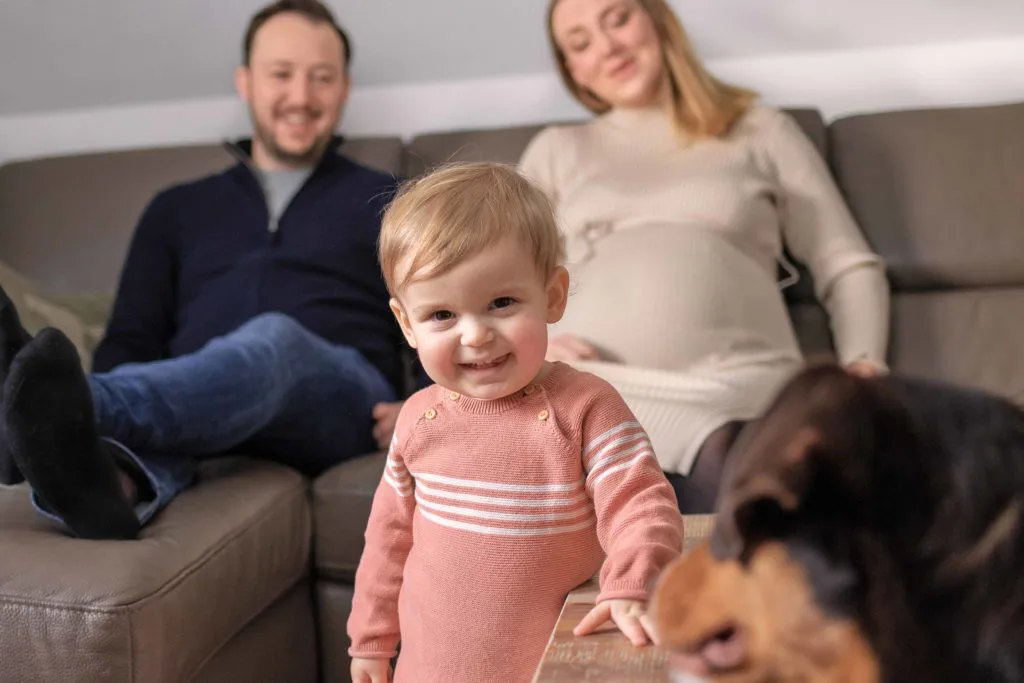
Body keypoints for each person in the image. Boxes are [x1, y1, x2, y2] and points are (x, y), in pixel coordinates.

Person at [0, 0, 416, 540]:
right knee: (153, 430)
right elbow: (132, 336)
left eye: (321, 78)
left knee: (275, 340)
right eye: (281, 74)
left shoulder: (385, 199)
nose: (301, 96)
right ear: (246, 82)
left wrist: (428, 404)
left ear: (344, 88)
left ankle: (50, 406)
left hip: (338, 400)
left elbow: (437, 307)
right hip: (201, 398)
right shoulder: (177, 207)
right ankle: (110, 489)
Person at [518, 0, 891, 513]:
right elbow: (504, 281)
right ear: (573, 71)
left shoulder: (760, 130)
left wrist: (864, 364)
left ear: (657, 19)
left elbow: (845, 261)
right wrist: (532, 351)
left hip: (741, 383)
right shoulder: (555, 149)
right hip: (601, 386)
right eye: (580, 43)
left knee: (734, 457)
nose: (607, 47)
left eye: (619, 19)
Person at [346, 162, 684, 683]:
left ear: (552, 296)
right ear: (405, 323)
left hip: (550, 670)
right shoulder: (418, 419)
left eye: (501, 303)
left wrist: (631, 585)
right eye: (442, 316)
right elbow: (389, 540)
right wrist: (370, 641)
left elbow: (640, 505)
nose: (476, 335)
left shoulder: (586, 407)